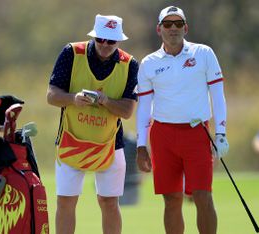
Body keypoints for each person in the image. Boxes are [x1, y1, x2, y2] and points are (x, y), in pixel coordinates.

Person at [136, 6, 229, 234]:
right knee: (171, 199)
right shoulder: (149, 63)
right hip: (163, 136)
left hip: (197, 133)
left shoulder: (204, 53)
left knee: (202, 195)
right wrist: (140, 145)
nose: (173, 29)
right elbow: (144, 108)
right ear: (159, 29)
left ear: (186, 28)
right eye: (168, 24)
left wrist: (221, 133)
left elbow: (218, 96)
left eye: (178, 24)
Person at [47, 14, 138, 234]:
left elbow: (127, 111)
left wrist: (106, 102)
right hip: (71, 138)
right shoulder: (71, 53)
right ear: (94, 36)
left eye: (111, 41)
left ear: (119, 41)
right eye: (101, 39)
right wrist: (73, 99)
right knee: (66, 201)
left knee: (109, 202)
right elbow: (51, 95)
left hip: (109, 144)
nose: (105, 45)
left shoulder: (130, 64)